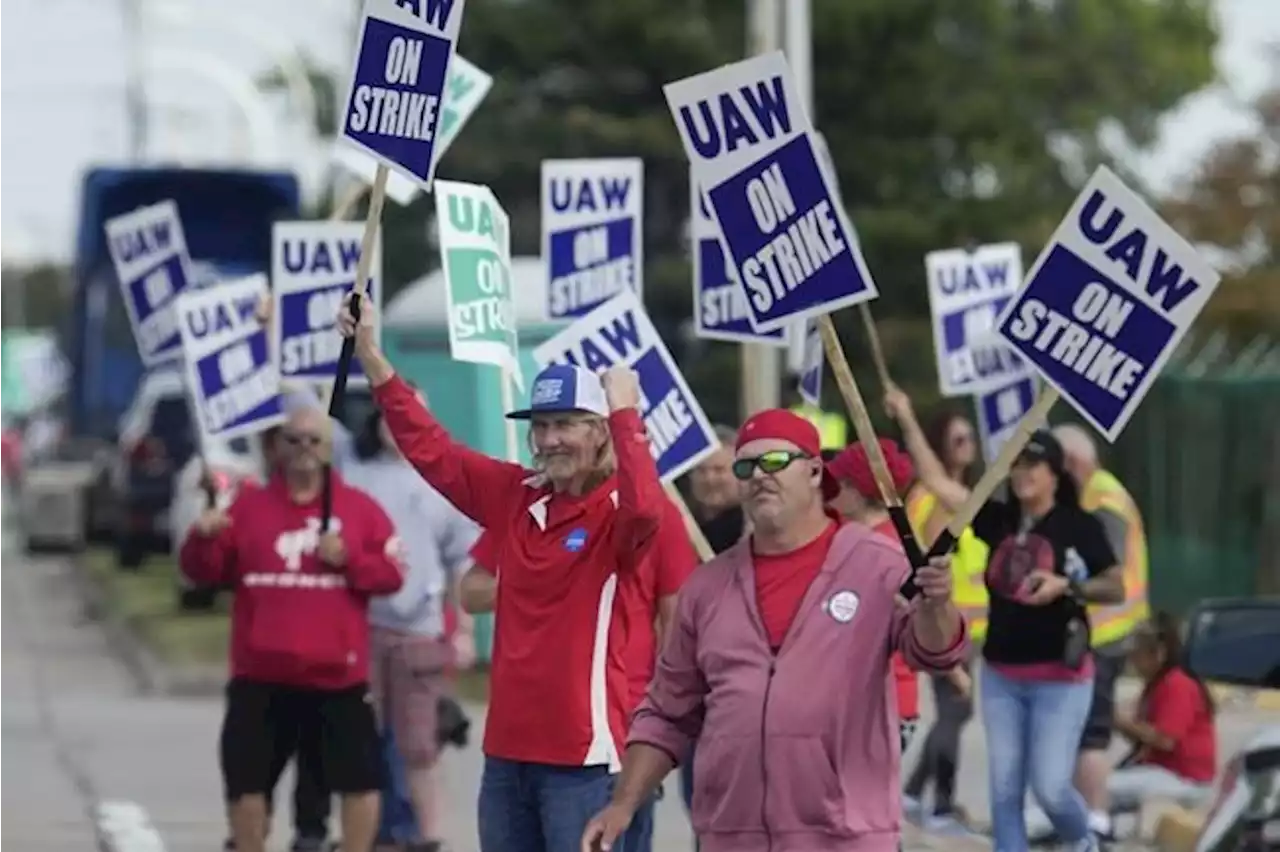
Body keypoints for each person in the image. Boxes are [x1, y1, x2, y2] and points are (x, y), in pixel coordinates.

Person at [338, 293, 668, 852]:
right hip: (508, 755)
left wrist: (625, 410)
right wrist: (370, 353)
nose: (550, 439)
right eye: (541, 426)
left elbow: (645, 507)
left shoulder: (620, 513)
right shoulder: (517, 496)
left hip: (584, 761)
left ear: (600, 434)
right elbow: (432, 450)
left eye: (566, 424)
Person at [582, 409, 969, 852]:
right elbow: (667, 712)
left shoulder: (877, 564)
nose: (760, 476)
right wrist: (623, 805)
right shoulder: (707, 587)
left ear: (814, 471)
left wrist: (937, 607)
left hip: (844, 837)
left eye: (775, 462)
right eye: (746, 466)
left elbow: (936, 652)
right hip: (732, 837)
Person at [887, 387, 1125, 852]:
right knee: (1004, 792)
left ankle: (1083, 840)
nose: (1020, 474)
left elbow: (1114, 584)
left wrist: (1067, 586)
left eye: (1030, 465)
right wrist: (907, 417)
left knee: (1052, 787)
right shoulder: (996, 520)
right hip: (1002, 676)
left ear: (1054, 472)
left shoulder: (1080, 525)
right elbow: (937, 483)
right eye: (1014, 465)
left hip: (1062, 677)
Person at [180, 405, 404, 852]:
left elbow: (391, 576)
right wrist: (202, 536)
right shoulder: (248, 507)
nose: (304, 449)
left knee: (360, 779)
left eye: (313, 440)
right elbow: (204, 573)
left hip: (337, 680)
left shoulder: (360, 510)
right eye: (293, 439)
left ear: (328, 448)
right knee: (246, 781)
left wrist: (349, 559)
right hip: (260, 678)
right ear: (276, 447)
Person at [343, 392, 481, 852]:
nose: (397, 422)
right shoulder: (354, 474)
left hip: (419, 632)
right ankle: (371, 835)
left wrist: (462, 630)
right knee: (362, 739)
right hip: (361, 629)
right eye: (390, 412)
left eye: (411, 411)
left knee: (421, 745)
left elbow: (464, 561)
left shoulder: (442, 481)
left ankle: (428, 836)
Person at [1053, 423, 1151, 841]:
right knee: (1081, 731)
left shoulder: (1104, 501)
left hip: (1106, 633)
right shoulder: (1094, 494)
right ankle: (1084, 817)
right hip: (1101, 631)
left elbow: (1100, 567)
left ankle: (1096, 819)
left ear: (1073, 462)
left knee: (1090, 734)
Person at [895, 404, 987, 832]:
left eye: (970, 438)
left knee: (957, 712)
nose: (967, 446)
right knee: (955, 712)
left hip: (970, 626)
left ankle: (914, 794)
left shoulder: (953, 494)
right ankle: (940, 805)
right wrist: (906, 416)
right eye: (958, 439)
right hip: (949, 627)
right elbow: (935, 569)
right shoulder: (937, 499)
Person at [824, 439, 922, 756]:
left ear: (855, 490)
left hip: (878, 705)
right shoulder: (880, 539)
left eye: (836, 483)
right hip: (878, 703)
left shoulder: (877, 549)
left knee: (854, 804)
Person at [677, 424, 744, 831]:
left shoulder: (753, 527)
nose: (711, 479)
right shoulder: (678, 523)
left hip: (735, 685)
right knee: (698, 802)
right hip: (690, 684)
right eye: (703, 471)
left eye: (721, 469)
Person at [1109, 613, 1216, 812]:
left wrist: (1120, 720)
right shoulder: (1156, 684)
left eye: (1137, 655)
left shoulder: (1177, 684)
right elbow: (1144, 739)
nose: (1132, 661)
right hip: (1163, 773)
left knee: (1095, 788)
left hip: (1185, 781)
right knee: (1092, 784)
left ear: (1159, 652)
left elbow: (1165, 740)